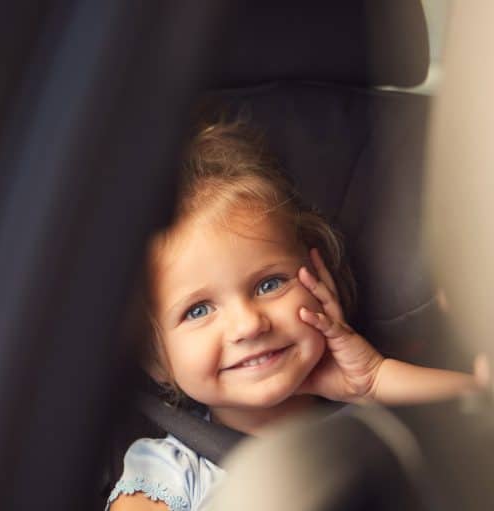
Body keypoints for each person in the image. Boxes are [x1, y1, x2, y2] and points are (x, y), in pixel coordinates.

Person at [106, 120, 480, 511]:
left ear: (319, 281)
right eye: (198, 310)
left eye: (270, 285)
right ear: (156, 358)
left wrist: (371, 382)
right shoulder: (169, 473)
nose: (249, 324)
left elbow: (481, 415)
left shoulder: (375, 422)